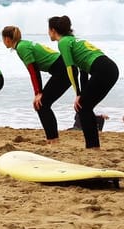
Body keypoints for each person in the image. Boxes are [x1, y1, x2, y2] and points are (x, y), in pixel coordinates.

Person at [49, 15, 118, 149]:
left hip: (102, 69)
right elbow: (83, 71)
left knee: (83, 107)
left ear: (52, 30)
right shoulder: (74, 41)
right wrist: (82, 94)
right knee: (85, 106)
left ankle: (92, 146)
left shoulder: (63, 42)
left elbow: (71, 69)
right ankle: (93, 146)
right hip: (110, 68)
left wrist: (78, 94)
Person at [2, 26, 70, 144]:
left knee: (41, 104)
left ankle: (53, 140)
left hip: (62, 70)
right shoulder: (23, 45)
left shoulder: (22, 47)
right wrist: (38, 92)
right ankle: (53, 139)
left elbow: (33, 71)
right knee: (43, 104)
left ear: (7, 39)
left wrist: (38, 93)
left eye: (3, 39)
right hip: (62, 68)